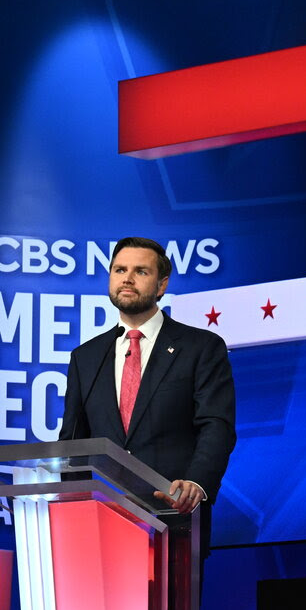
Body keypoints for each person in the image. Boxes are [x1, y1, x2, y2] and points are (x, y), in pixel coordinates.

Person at [60, 236, 236, 554]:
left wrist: (195, 484)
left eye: (140, 271)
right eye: (119, 270)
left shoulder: (200, 348)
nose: (126, 278)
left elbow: (216, 426)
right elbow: (73, 441)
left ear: (161, 285)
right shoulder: (85, 357)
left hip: (172, 519)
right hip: (98, 526)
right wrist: (63, 500)